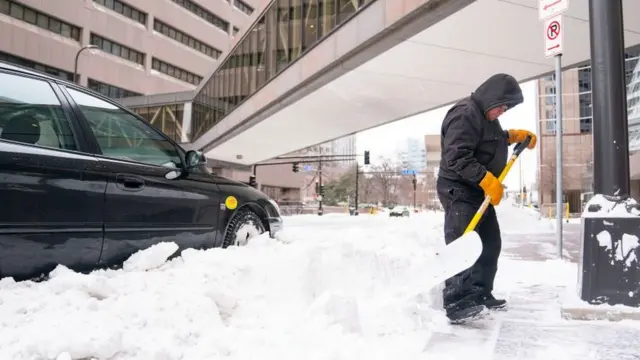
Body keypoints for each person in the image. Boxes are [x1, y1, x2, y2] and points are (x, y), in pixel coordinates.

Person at [436, 73, 536, 322]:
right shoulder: (464, 115)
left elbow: (491, 141)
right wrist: (488, 180)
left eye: (506, 108)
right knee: (463, 244)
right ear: (492, 99)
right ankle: (457, 300)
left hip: (478, 191)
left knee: (490, 242)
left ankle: (480, 292)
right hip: (459, 189)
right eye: (502, 106)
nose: (503, 111)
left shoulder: (485, 117)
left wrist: (512, 136)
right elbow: (457, 157)